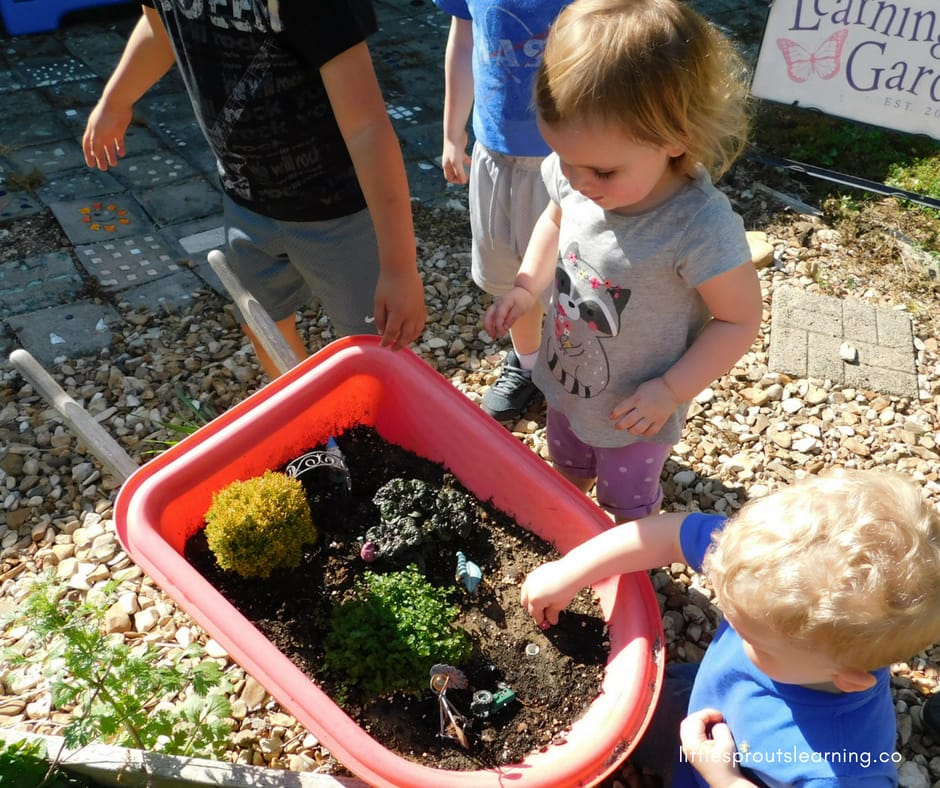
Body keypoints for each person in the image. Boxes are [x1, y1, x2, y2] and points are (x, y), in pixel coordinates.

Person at [483, 0, 762, 522]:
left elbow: (740, 318)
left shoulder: (696, 226)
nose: (580, 182)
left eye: (603, 172)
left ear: (676, 138)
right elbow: (555, 217)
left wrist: (670, 391)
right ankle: (563, 518)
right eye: (566, 160)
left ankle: (626, 567)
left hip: (637, 411)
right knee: (566, 465)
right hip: (567, 381)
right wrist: (525, 287)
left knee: (625, 504)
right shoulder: (582, 169)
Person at [521, 469, 940, 785]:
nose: (735, 633)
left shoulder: (844, 765)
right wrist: (570, 571)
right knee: (641, 714)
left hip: (715, 765)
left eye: (754, 639)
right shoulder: (768, 572)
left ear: (848, 680)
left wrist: (725, 778)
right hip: (705, 700)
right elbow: (669, 534)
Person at [82, 2, 426, 380]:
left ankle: (389, 430)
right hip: (243, 200)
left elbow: (367, 128)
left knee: (379, 346)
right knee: (264, 327)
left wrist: (399, 267)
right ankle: (315, 427)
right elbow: (159, 25)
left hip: (338, 210)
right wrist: (114, 100)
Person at [434, 0, 571, 420]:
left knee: (575, 285)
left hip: (569, 159)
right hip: (493, 153)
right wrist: (452, 132)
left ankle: (580, 377)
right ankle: (527, 365)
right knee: (509, 276)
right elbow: (465, 37)